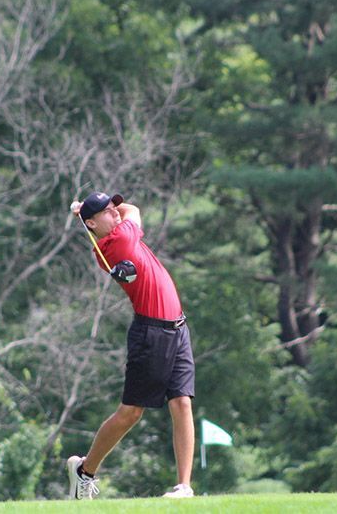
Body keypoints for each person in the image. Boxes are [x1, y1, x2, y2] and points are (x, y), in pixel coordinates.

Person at [67, 192, 196, 499]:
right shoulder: (119, 241)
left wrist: (85, 209)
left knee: (182, 403)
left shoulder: (114, 234)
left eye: (114, 208)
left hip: (177, 327)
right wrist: (83, 210)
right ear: (92, 223)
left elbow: (123, 211)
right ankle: (85, 471)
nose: (115, 213)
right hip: (151, 333)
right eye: (107, 211)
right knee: (131, 413)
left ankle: (184, 486)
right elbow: (133, 209)